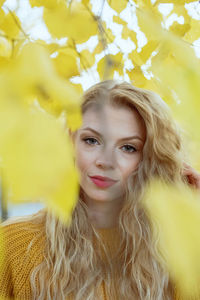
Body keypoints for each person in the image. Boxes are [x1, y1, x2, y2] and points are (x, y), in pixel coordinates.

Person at [0, 80, 200, 300]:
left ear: (149, 160)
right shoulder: (12, 244)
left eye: (128, 147)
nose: (105, 161)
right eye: (92, 140)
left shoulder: (177, 254)